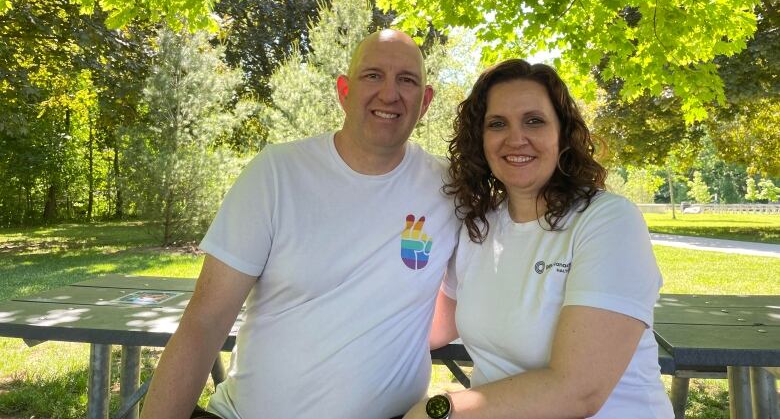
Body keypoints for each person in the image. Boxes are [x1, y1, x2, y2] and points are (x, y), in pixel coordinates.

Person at [140, 29, 460, 419]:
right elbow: (205, 321)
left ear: (425, 101)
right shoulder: (277, 174)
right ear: (344, 90)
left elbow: (453, 311)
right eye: (373, 75)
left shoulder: (450, 189)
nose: (390, 94)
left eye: (407, 80)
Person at [406, 59, 673, 419]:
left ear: (562, 134)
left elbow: (579, 390)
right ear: (480, 141)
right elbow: (434, 326)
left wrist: (441, 410)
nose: (516, 138)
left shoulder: (607, 220)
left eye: (534, 121)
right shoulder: (478, 227)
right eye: (497, 124)